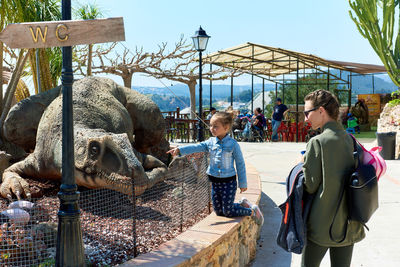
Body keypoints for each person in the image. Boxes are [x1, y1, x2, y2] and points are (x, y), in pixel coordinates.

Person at [300, 89, 365, 267]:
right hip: (349, 224)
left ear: (321, 111)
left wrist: (304, 164)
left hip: (322, 225)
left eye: (307, 113)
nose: (306, 118)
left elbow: (310, 185)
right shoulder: (351, 140)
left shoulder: (317, 142)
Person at [167, 111, 264, 225]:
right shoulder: (210, 142)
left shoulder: (233, 144)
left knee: (227, 211)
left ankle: (251, 211)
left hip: (229, 183)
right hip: (215, 183)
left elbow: (240, 164)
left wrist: (243, 183)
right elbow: (196, 147)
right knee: (219, 211)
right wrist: (179, 150)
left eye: (215, 126)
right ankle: (243, 204)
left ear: (226, 127)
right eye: (211, 125)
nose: (212, 128)